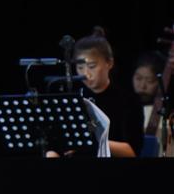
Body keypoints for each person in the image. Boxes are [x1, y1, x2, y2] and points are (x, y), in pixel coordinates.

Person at [47, 27, 142, 158]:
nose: (85, 74)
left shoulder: (128, 100)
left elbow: (131, 151)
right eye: (80, 67)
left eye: (92, 66)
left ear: (109, 63)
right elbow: (57, 143)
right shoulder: (74, 98)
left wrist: (92, 142)